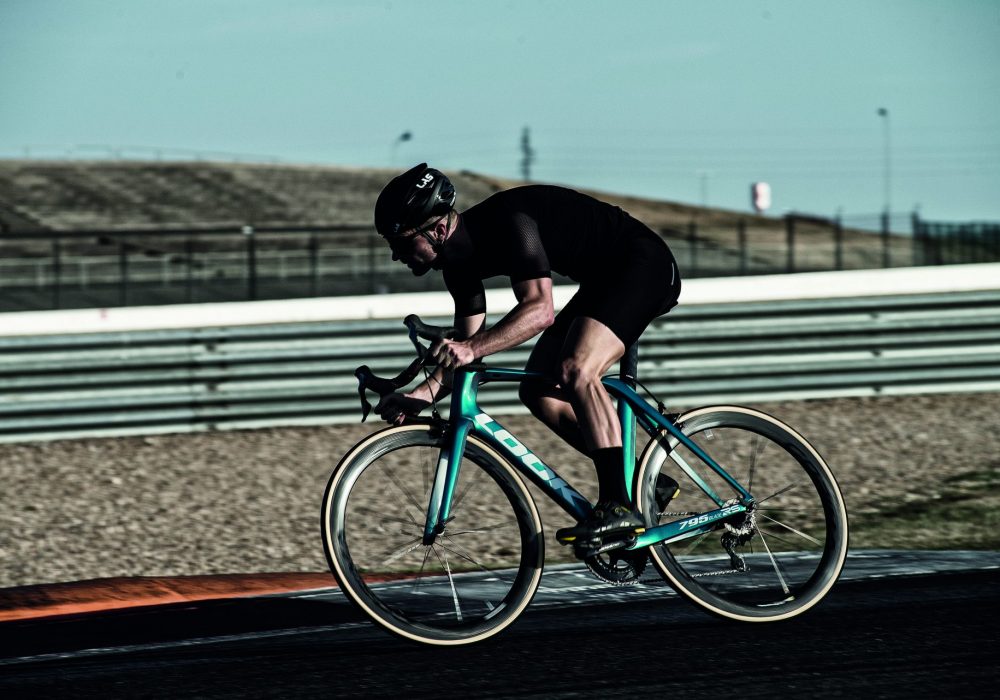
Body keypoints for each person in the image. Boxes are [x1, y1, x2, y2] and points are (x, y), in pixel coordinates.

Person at [372, 163, 682, 557]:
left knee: (576, 368)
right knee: (538, 389)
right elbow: (465, 357)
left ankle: (619, 504)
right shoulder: (456, 267)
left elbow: (539, 311)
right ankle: (645, 479)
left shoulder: (509, 220)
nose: (396, 255)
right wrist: (419, 396)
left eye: (400, 241)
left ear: (435, 230)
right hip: (606, 281)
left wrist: (471, 348)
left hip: (643, 265)